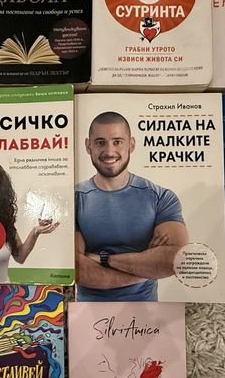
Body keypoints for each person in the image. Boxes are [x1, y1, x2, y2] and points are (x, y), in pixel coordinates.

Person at [75, 112, 189, 301]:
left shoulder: (161, 197)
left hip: (146, 312)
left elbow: (177, 260)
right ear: (88, 146)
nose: (109, 151)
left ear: (131, 144)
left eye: (117, 142)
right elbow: (77, 269)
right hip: (87, 312)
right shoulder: (74, 199)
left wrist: (103, 259)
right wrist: (148, 267)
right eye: (100, 142)